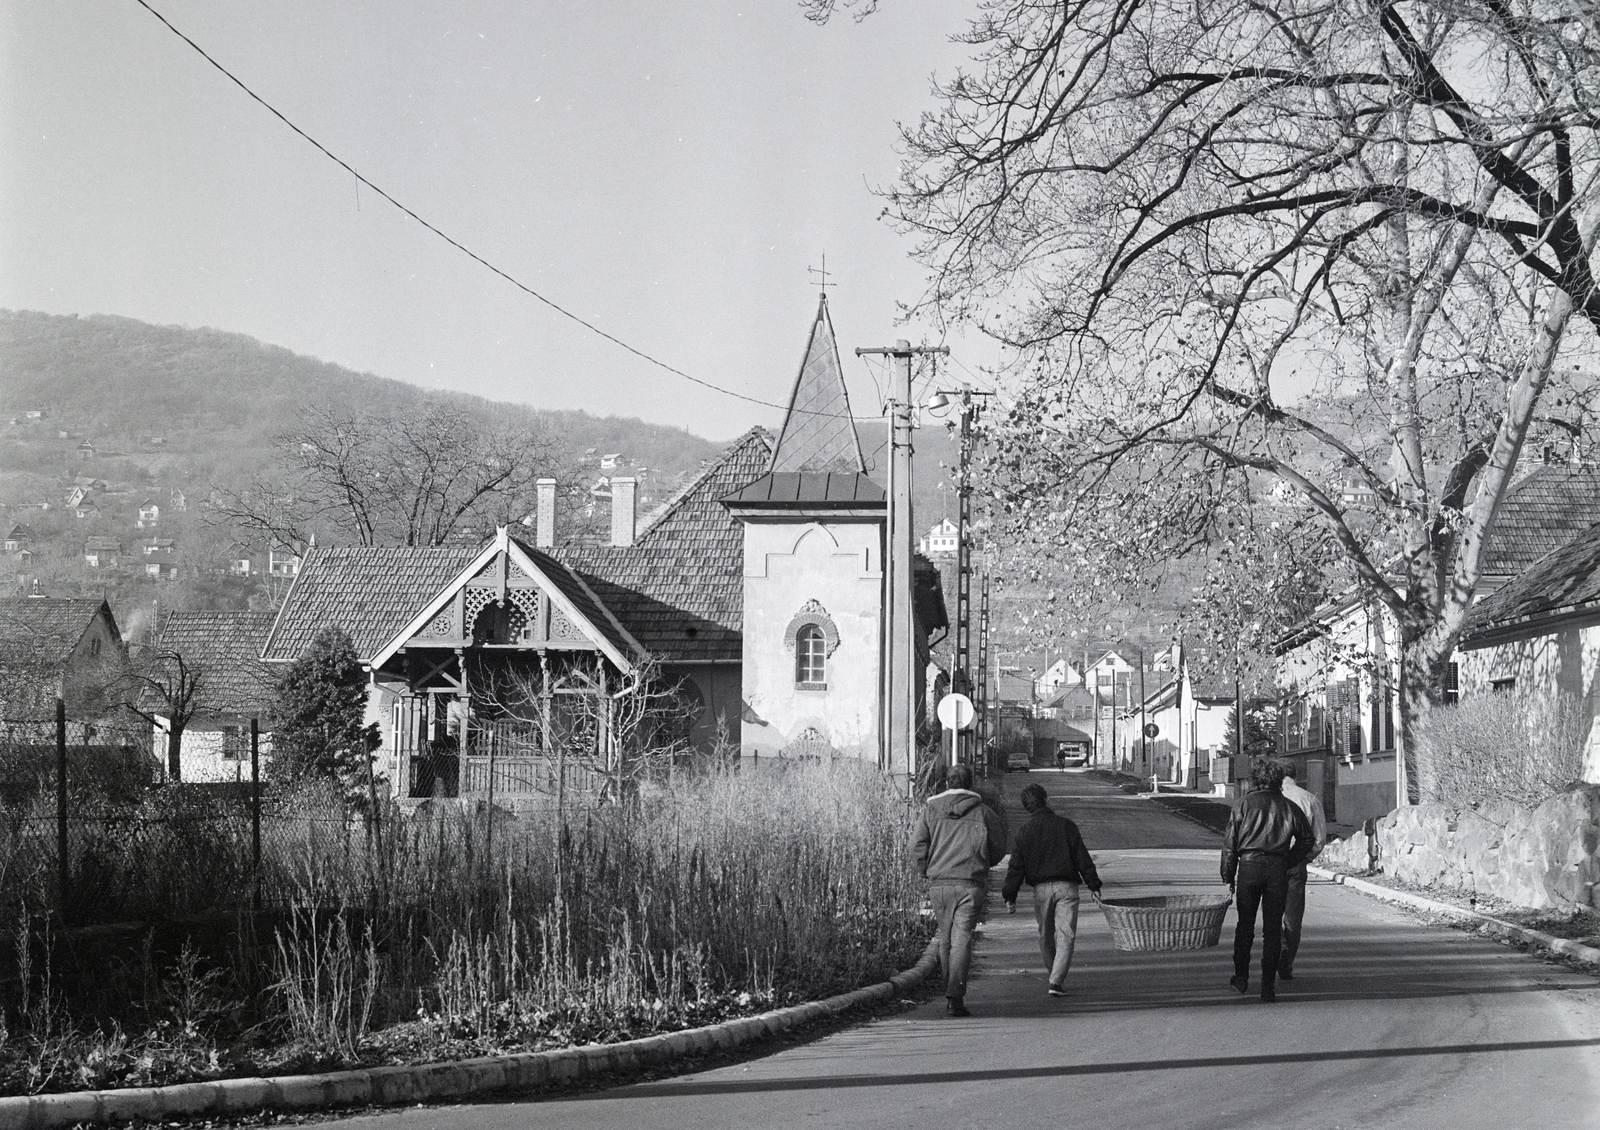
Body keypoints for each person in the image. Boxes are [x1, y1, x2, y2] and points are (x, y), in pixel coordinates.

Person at [911, 762, 1007, 1017]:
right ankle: (956, 996)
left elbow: (917, 845)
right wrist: (982, 863)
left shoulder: (930, 811)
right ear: (970, 784)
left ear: (946, 784)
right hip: (970, 883)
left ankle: (949, 988)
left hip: (939, 883)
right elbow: (998, 846)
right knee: (962, 938)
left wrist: (925, 870)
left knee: (946, 936)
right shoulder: (984, 813)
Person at [1220, 759, 1314, 1002]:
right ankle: (1267, 987)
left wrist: (1228, 876)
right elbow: (1307, 840)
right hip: (1277, 870)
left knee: (1245, 926)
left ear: (1254, 780)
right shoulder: (1289, 807)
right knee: (1272, 931)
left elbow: (1230, 845)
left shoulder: (1242, 805)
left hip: (1249, 868)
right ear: (1278, 780)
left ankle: (1241, 978)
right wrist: (1289, 860)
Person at [1003, 782, 1102, 996]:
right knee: (1066, 935)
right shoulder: (1066, 825)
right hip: (1067, 888)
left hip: (1041, 890)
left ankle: (1054, 977)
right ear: (1046, 800)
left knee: (1045, 936)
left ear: (1026, 807)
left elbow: (1015, 868)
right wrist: (1094, 885)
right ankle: (1056, 981)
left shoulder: (1023, 832)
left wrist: (1010, 896)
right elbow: (1081, 858)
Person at [1278, 762, 1327, 980]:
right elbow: (1319, 839)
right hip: (1296, 864)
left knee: (1271, 914)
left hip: (1270, 862)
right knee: (1293, 919)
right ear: (1295, 775)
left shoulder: (1270, 799)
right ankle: (1286, 961)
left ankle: (1274, 952)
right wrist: (1305, 858)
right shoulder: (1309, 799)